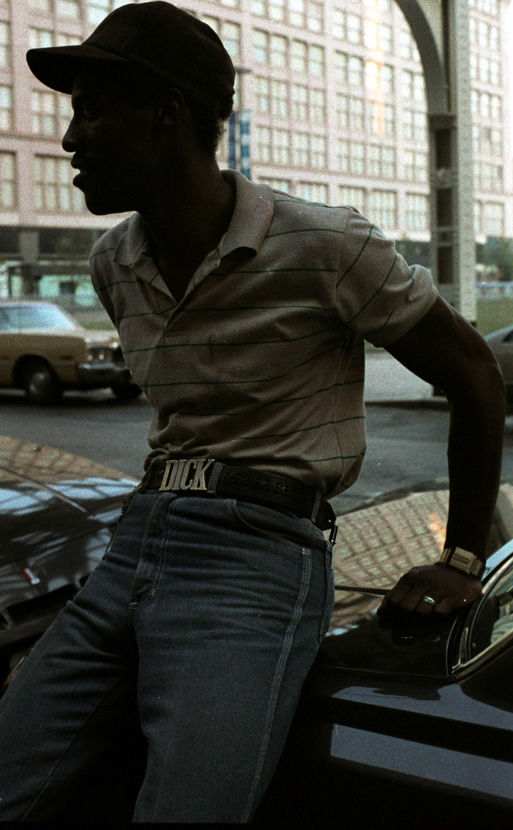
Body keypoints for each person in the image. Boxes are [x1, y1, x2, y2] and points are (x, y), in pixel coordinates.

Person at [0, 1, 505, 823]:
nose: (69, 141)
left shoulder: (323, 245)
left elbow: (474, 373)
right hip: (136, 543)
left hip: (256, 563)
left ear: (166, 114)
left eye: (91, 111)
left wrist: (459, 558)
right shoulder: (111, 261)